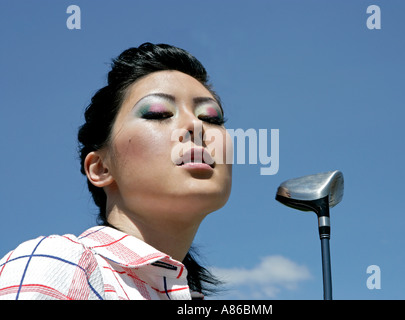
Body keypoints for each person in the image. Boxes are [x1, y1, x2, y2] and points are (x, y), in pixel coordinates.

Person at [0, 42, 232, 300]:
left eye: (211, 118)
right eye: (158, 113)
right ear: (100, 168)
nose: (196, 125)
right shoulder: (63, 264)